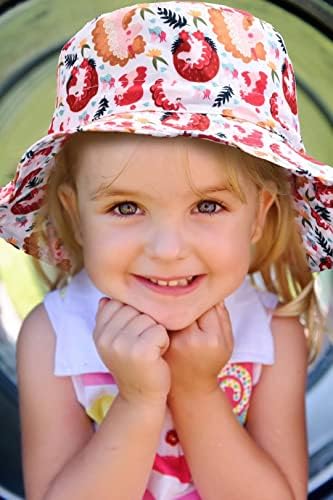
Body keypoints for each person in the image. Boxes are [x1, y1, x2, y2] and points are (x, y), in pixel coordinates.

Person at [0, 1, 332, 498]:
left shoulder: (270, 332)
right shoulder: (54, 336)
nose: (168, 249)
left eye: (209, 206)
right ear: (75, 215)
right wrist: (137, 400)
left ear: (260, 217)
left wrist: (197, 391)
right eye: (127, 207)